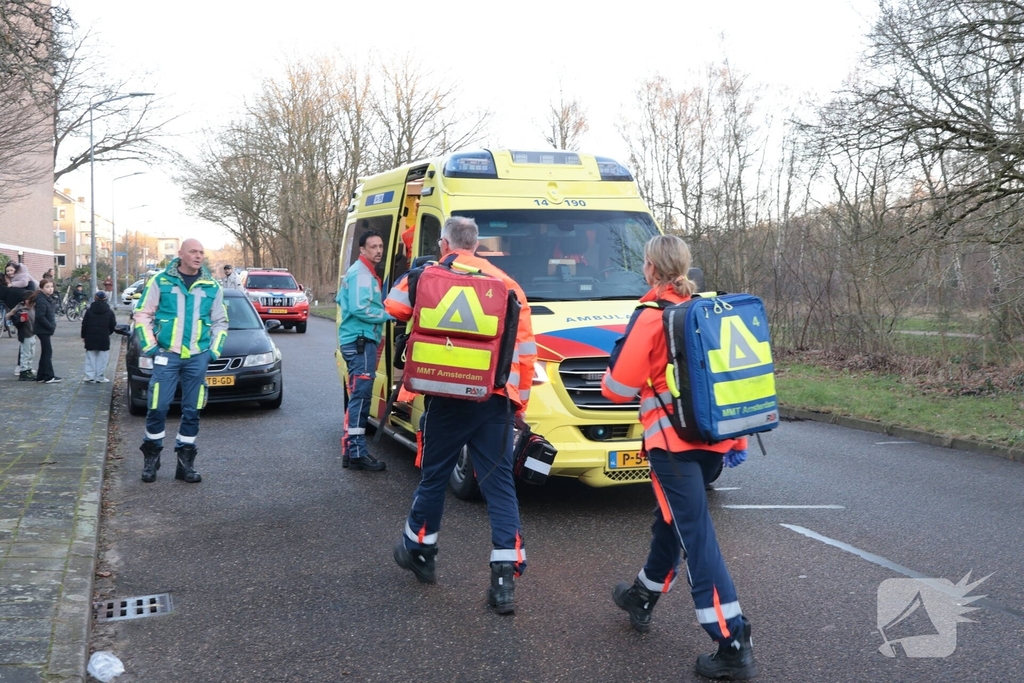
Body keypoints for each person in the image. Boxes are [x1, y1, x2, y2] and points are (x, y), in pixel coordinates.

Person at [601, 234, 758, 680]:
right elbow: (733, 383)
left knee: (696, 537)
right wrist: (737, 443)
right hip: (714, 443)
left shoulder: (651, 316)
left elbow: (616, 388)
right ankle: (643, 594)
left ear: (650, 268)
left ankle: (731, 640)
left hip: (672, 448)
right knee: (672, 521)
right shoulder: (708, 310)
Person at [385, 216, 536, 615]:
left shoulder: (428, 274)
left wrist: (418, 274)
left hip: (447, 396)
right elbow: (523, 352)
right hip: (494, 400)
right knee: (500, 486)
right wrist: (518, 405)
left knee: (434, 476)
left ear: (444, 244)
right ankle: (504, 579)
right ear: (478, 245)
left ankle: (420, 548)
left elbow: (394, 307)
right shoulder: (508, 285)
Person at [134, 238, 228, 484]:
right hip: (167, 355)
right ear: (181, 254)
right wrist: (152, 348)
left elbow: (220, 321)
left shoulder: (211, 286)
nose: (198, 256)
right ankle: (151, 459)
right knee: (158, 406)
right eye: (193, 252)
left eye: (201, 252)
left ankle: (185, 464)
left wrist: (213, 352)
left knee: (192, 409)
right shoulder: (160, 281)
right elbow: (143, 314)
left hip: (198, 356)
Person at [335, 230, 390, 472]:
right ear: (362, 250)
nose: (378, 250)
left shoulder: (362, 272)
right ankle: (357, 453)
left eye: (380, 246)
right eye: (373, 247)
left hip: (358, 339)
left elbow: (341, 299)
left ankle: (350, 451)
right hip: (361, 340)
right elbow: (360, 308)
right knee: (361, 396)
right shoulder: (361, 274)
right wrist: (388, 315)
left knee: (357, 394)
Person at [81, 290, 117, 382]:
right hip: (103, 337)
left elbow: (84, 324)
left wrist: (84, 336)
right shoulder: (109, 312)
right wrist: (108, 333)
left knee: (90, 357)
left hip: (90, 337)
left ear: (95, 299)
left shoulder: (89, 311)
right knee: (102, 358)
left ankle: (90, 376)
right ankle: (100, 377)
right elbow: (113, 325)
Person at [33, 278, 61, 384]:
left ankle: (41, 376)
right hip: (43, 330)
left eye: (51, 287)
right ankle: (49, 376)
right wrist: (50, 326)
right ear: (41, 288)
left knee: (45, 352)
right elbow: (40, 316)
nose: (50, 289)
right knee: (48, 352)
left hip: (45, 329)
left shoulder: (47, 298)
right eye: (47, 287)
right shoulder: (41, 300)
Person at [6, 290, 36, 381]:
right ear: (27, 301)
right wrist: (20, 321)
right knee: (25, 353)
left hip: (32, 334)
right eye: (32, 300)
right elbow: (15, 321)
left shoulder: (33, 308)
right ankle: (24, 371)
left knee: (31, 353)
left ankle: (29, 369)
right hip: (25, 334)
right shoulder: (20, 310)